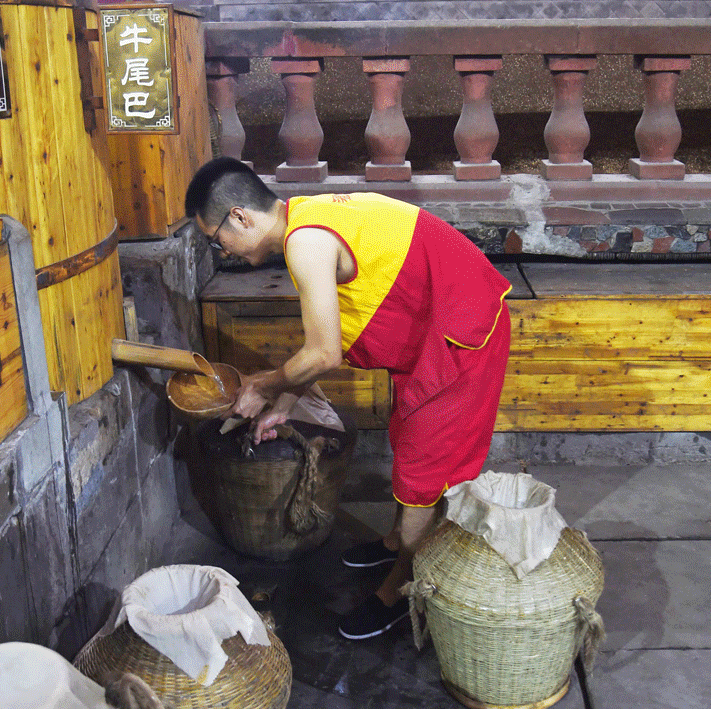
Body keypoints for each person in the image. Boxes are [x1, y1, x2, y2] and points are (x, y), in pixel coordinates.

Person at [184, 157, 512, 640]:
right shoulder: (305, 220)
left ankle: (403, 592)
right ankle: (398, 540)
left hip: (463, 330)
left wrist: (265, 385)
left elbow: (322, 352)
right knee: (409, 441)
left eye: (217, 239)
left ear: (240, 217)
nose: (222, 251)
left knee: (422, 469)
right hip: (438, 324)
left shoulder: (305, 244)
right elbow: (321, 348)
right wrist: (285, 401)